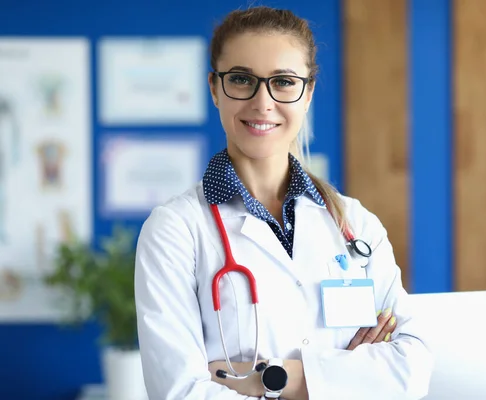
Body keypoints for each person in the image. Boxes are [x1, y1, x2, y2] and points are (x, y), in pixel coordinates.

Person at [134, 6, 433, 400]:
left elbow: (412, 369)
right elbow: (182, 393)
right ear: (214, 88)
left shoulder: (355, 224)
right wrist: (347, 378)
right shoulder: (175, 230)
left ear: (307, 93)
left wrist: (273, 379)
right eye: (241, 80)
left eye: (284, 82)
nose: (262, 102)